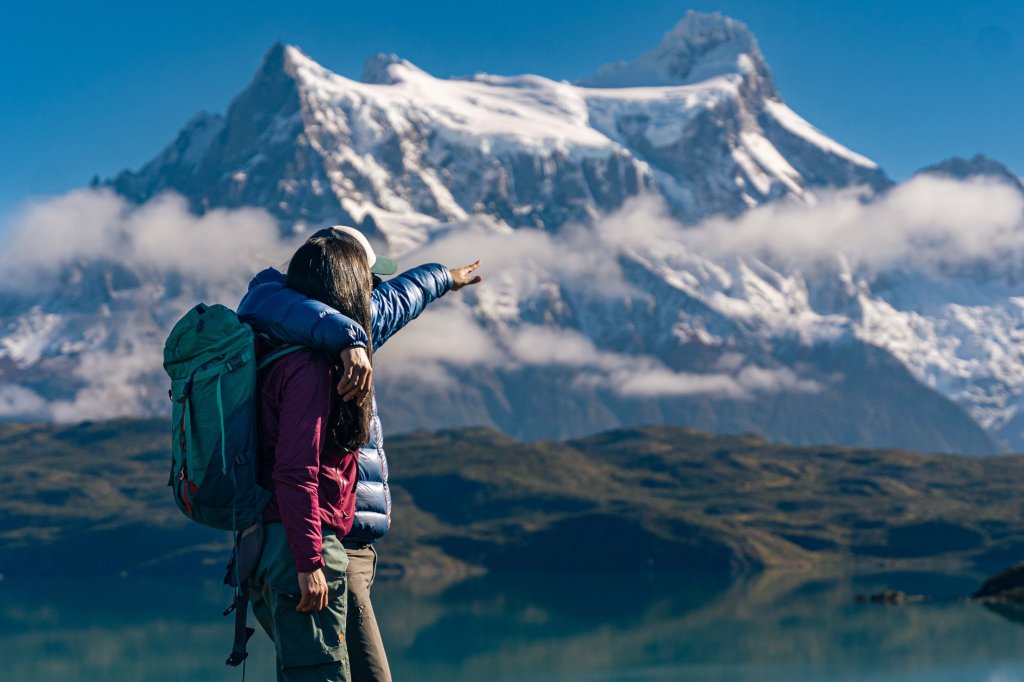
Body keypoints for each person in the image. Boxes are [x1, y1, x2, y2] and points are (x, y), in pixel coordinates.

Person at [239, 226, 483, 681]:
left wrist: (444, 277)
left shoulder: (324, 337)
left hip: (319, 545)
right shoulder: (311, 361)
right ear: (349, 284)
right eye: (369, 280)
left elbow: (399, 298)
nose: (375, 290)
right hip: (321, 546)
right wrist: (311, 560)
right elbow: (297, 471)